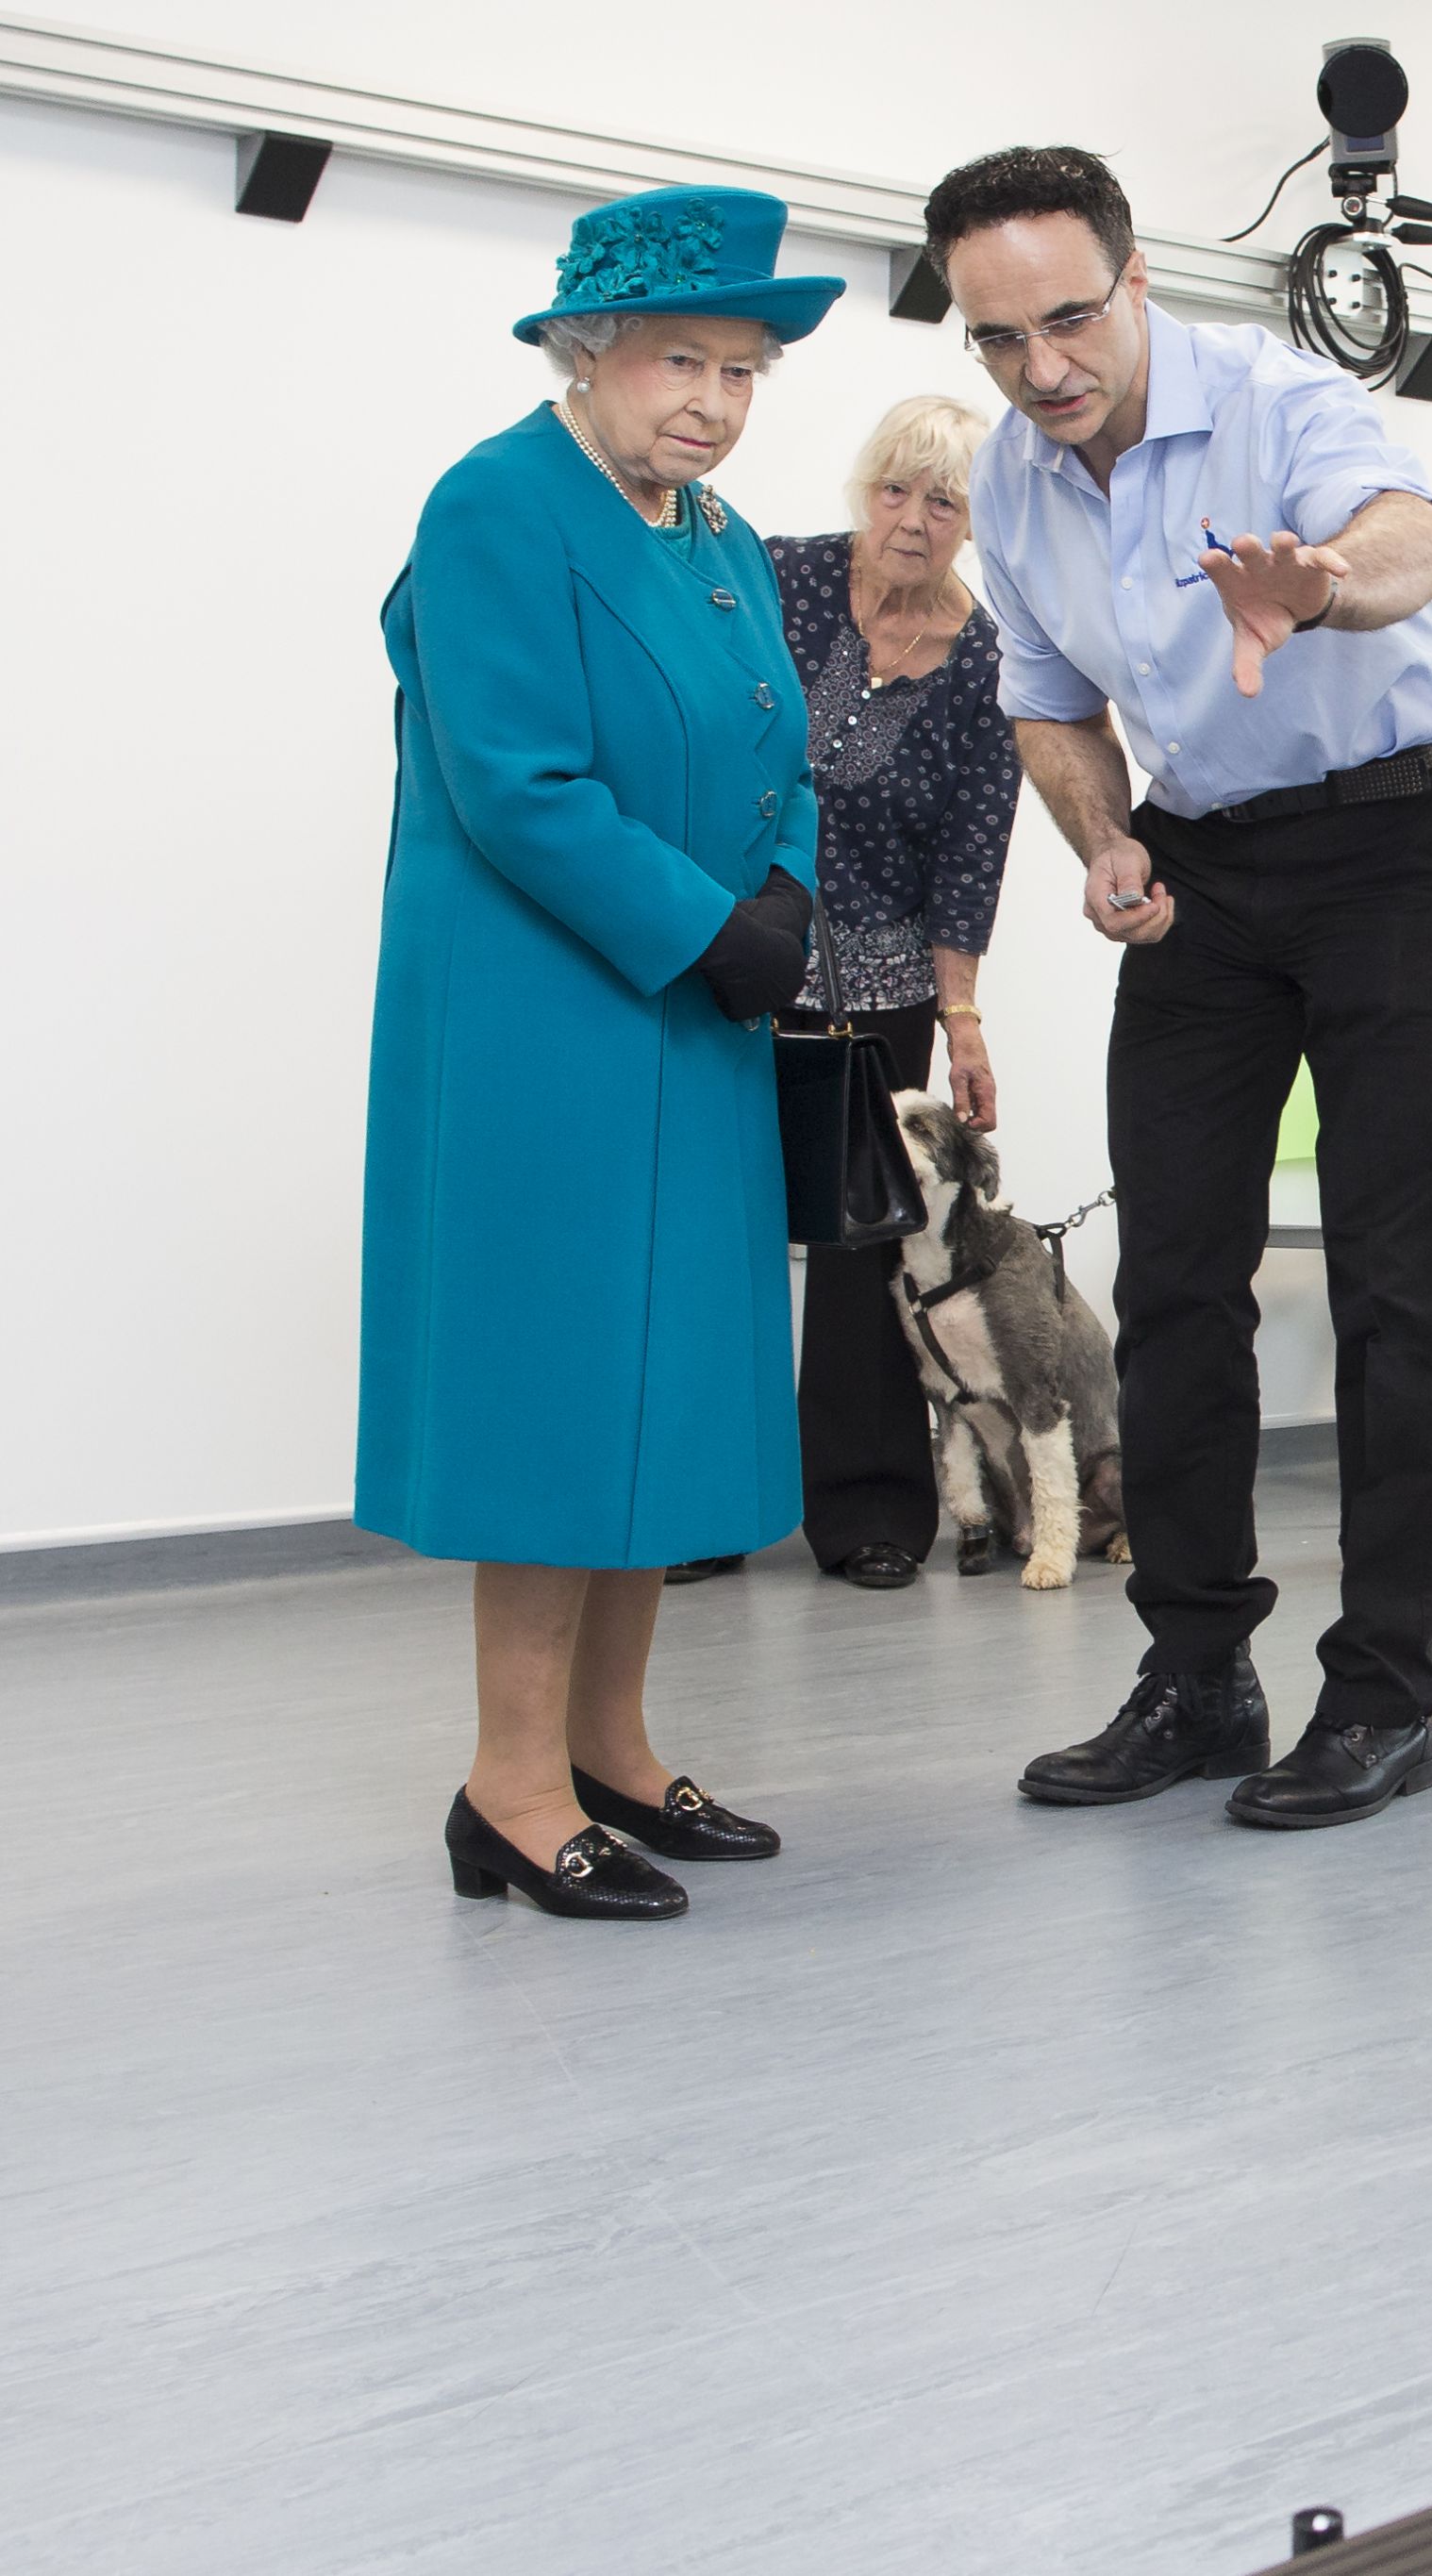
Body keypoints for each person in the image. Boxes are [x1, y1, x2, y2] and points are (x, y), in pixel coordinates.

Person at [924, 145, 1432, 1833]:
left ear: (1137, 274)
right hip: (1204, 868)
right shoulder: (1012, 483)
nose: (1045, 370)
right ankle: (1198, 1671)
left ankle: (1383, 1694)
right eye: (1000, 339)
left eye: (1071, 320)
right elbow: (1044, 700)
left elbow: (1417, 543)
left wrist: (1310, 582)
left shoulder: (1280, 399)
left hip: (1392, 840)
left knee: (1399, 1280)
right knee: (1170, 1276)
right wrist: (1100, 837)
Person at [361, 187, 842, 1921]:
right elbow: (518, 782)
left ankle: (613, 1749)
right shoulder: (497, 505)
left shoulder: (711, 532)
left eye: (743, 368)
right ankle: (506, 1783)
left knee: (673, 1384)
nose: (715, 398)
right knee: (563, 1390)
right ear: (588, 352)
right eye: (682, 361)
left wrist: (781, 890)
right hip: (545, 1022)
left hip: (692, 1014)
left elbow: (784, 742)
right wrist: (707, 927)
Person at [669, 394, 1022, 1591]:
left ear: (977, 520)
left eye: (944, 500)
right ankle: (702, 1507)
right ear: (861, 491)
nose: (913, 521)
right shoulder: (776, 578)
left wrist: (961, 1019)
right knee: (716, 1236)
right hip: (729, 958)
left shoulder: (987, 662)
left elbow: (973, 855)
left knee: (869, 1254)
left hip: (878, 992)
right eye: (894, 491)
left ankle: (869, 1511)